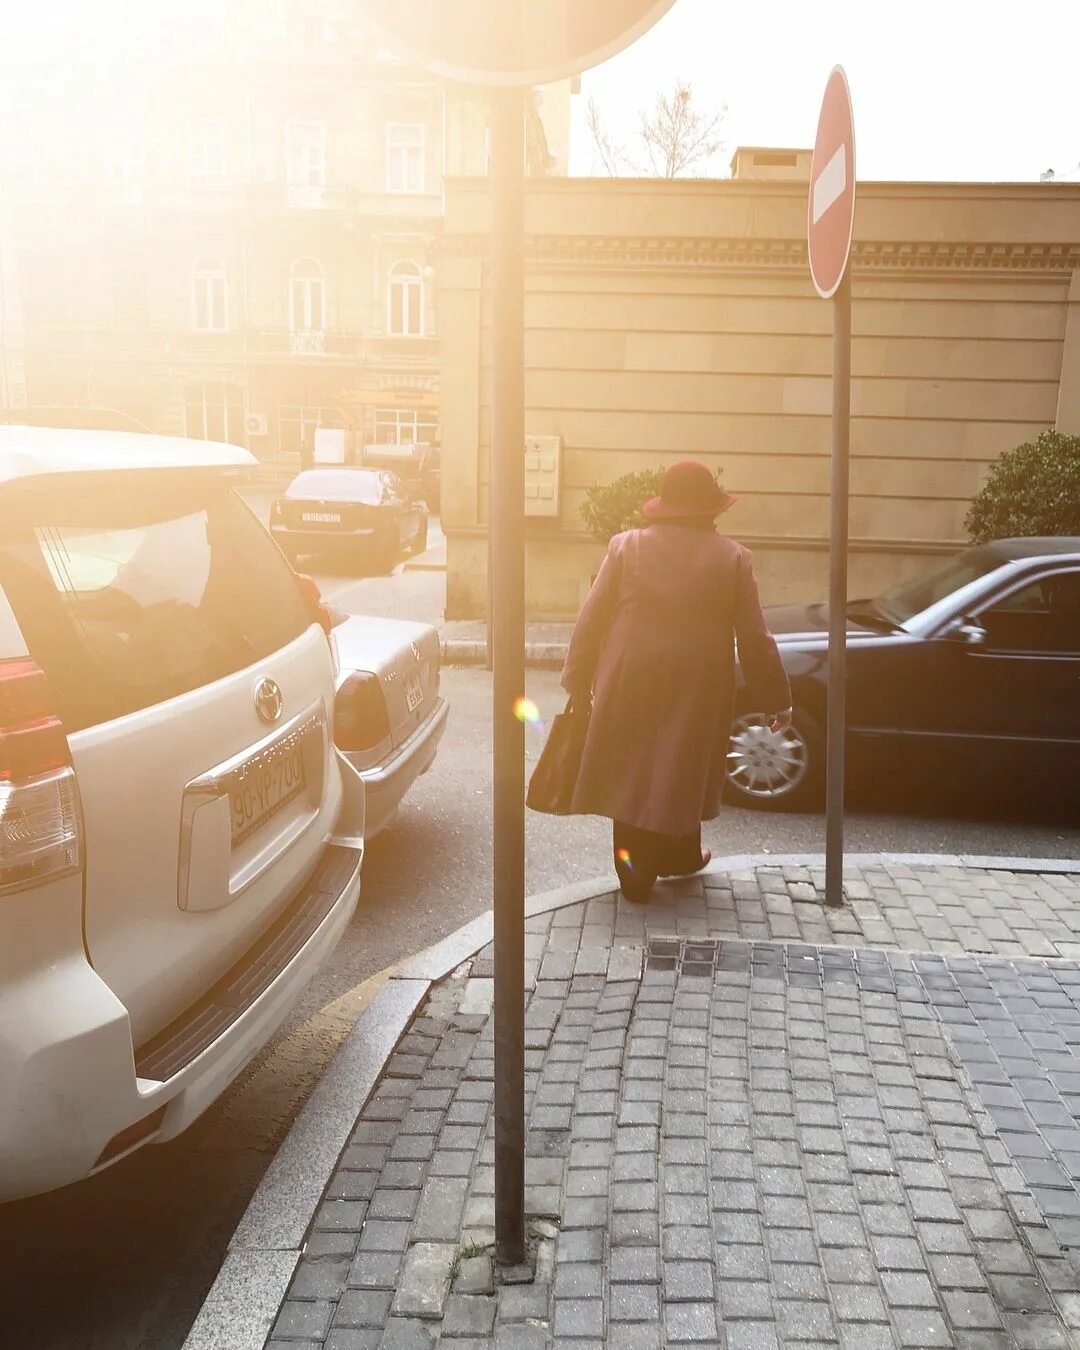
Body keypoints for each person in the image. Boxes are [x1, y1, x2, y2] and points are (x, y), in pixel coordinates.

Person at [561, 459, 792, 901]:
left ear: (662, 506)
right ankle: (680, 855)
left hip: (629, 673)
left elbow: (592, 617)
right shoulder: (733, 558)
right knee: (681, 766)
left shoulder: (625, 547)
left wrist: (577, 676)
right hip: (699, 679)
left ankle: (634, 874)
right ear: (711, 511)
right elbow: (754, 635)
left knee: (630, 767)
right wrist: (775, 697)